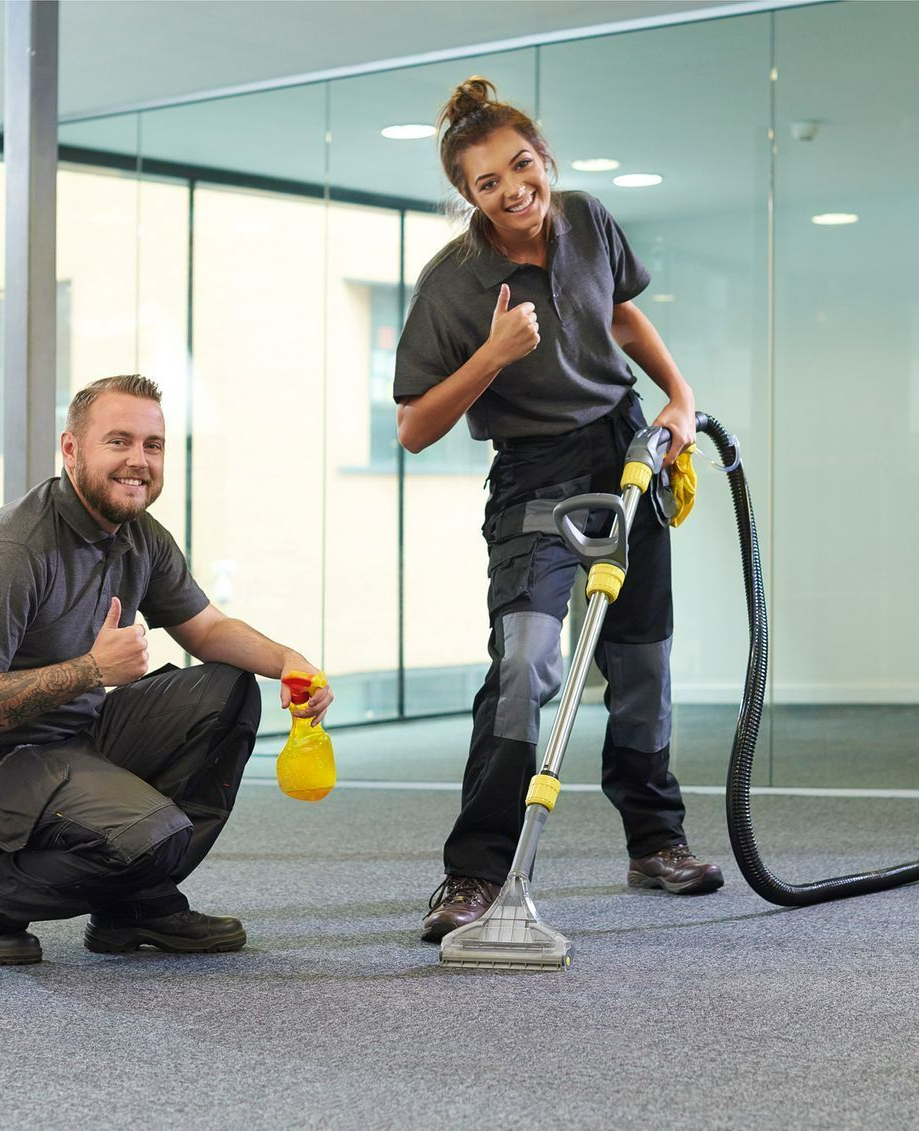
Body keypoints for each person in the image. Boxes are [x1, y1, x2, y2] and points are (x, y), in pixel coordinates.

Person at [395, 78, 723, 943]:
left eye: (521, 165)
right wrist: (492, 358)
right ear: (468, 198)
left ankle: (657, 841)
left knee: (641, 663)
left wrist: (679, 399)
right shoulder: (453, 284)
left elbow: (620, 313)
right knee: (526, 665)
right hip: (533, 475)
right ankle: (473, 871)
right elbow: (415, 426)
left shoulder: (586, 219)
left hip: (622, 454)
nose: (512, 190)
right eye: (487, 183)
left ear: (544, 159)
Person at [0, 373, 334, 965]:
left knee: (227, 690)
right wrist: (89, 670)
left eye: (152, 445)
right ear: (71, 449)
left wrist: (289, 660)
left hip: (72, 737)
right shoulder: (13, 550)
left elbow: (207, 630)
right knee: (151, 838)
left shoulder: (139, 536)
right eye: (119, 441)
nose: (139, 461)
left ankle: (135, 906)